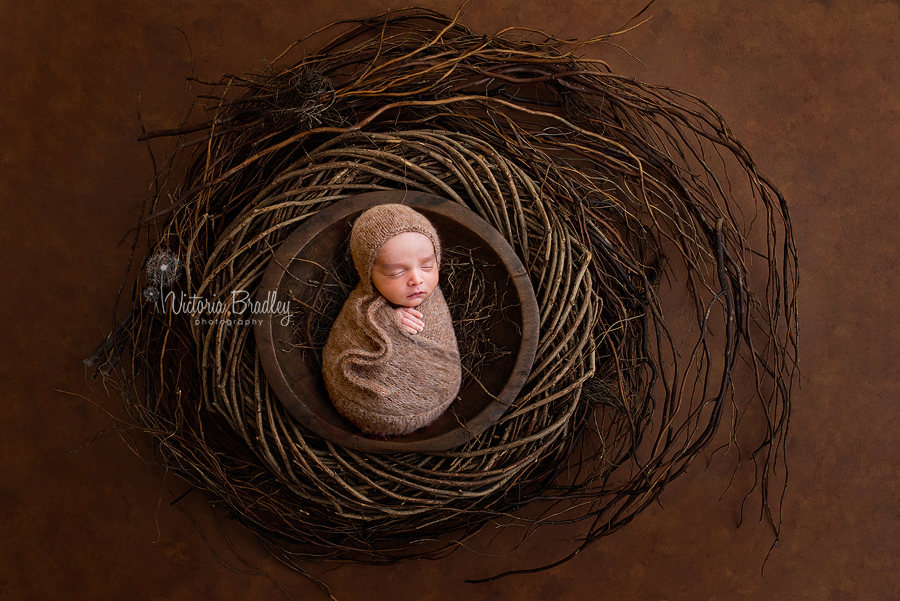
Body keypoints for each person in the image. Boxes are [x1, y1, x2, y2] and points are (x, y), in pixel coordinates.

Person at [322, 203, 462, 437]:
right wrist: (385, 319)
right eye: (396, 272)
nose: (417, 279)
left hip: (435, 394)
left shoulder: (434, 302)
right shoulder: (360, 305)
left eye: (427, 266)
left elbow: (441, 337)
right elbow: (347, 337)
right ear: (367, 273)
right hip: (367, 404)